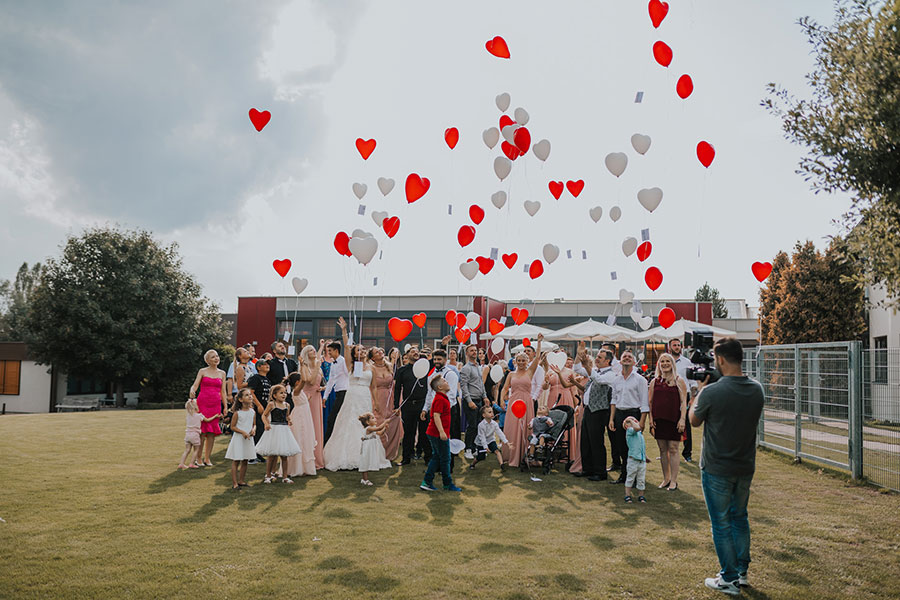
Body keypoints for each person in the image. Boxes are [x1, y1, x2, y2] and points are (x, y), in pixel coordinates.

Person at [690, 337, 764, 595]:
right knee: (739, 517)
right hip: (745, 465)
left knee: (721, 523)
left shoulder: (711, 392)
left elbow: (694, 421)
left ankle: (729, 578)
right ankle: (741, 572)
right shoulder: (757, 390)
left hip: (716, 467)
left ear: (720, 359)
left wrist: (699, 390)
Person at [323, 317, 377, 471]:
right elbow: (347, 348)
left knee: (367, 423)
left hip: (365, 396)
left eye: (363, 349)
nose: (362, 351)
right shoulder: (350, 365)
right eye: (358, 349)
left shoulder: (370, 367)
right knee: (350, 422)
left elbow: (373, 386)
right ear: (354, 353)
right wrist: (344, 331)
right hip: (352, 395)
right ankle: (349, 455)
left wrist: (376, 402)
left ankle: (367, 455)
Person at [567, 347, 616, 481]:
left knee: (596, 441)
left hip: (599, 411)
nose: (597, 359)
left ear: (608, 361)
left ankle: (600, 472)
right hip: (588, 409)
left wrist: (588, 366)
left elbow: (598, 380)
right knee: (585, 440)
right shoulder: (594, 370)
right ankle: (587, 469)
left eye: (600, 357)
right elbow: (577, 369)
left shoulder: (611, 374)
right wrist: (579, 354)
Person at [499, 336, 543, 468]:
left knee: (526, 428)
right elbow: (505, 388)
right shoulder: (511, 374)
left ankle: (526, 455)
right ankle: (511, 455)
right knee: (512, 428)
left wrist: (539, 343)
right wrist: (501, 400)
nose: (522, 362)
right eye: (519, 360)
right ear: (515, 362)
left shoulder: (530, 371)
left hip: (527, 402)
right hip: (513, 403)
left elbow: (538, 358)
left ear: (527, 361)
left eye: (524, 360)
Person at [648, 353, 688, 491]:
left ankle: (674, 481)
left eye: (667, 361)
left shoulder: (679, 380)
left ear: (672, 364)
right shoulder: (655, 381)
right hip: (659, 420)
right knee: (662, 450)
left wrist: (682, 419)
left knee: (673, 449)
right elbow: (650, 402)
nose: (665, 364)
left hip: (674, 420)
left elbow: (684, 402)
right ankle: (666, 478)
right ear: (659, 364)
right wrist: (651, 419)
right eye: (662, 361)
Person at [609, 351, 650, 485]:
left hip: (634, 415)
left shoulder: (640, 380)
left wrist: (642, 422)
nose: (627, 358)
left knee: (633, 448)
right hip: (619, 415)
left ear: (634, 362)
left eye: (629, 357)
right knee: (621, 447)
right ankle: (624, 475)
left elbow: (645, 402)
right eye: (624, 356)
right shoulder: (616, 379)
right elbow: (613, 400)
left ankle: (635, 477)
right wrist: (611, 419)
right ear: (620, 362)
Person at [419, 375, 461, 492]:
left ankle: (427, 481)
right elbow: (436, 416)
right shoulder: (439, 399)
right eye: (444, 381)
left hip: (437, 433)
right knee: (445, 458)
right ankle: (447, 484)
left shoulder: (442, 397)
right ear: (440, 387)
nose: (447, 382)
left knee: (437, 457)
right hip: (437, 433)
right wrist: (442, 432)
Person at [188, 349, 228, 467]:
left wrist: (225, 406)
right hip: (202, 403)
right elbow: (195, 385)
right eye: (212, 357)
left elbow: (223, 392)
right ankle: (198, 458)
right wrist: (192, 390)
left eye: (217, 356)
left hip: (215, 404)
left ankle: (207, 458)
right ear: (207, 360)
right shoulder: (202, 371)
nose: (216, 358)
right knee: (202, 432)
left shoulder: (222, 373)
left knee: (211, 433)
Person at [421, 349, 460, 468]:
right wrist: (425, 409)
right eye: (435, 359)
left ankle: (448, 466)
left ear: (445, 359)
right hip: (434, 410)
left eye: (439, 359)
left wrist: (441, 408)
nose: (436, 361)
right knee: (435, 438)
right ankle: (437, 465)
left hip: (447, 411)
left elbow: (452, 395)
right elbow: (429, 394)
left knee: (446, 437)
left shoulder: (451, 374)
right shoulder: (432, 375)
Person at [256, 384, 302, 484]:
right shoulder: (272, 405)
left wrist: (289, 420)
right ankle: (268, 475)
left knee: (284, 455)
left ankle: (285, 477)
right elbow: (264, 415)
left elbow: (286, 416)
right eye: (281, 393)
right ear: (274, 395)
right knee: (272, 455)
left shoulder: (287, 405)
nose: (284, 394)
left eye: (285, 392)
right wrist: (266, 424)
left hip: (284, 430)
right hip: (274, 429)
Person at [394, 345, 429, 465]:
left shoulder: (426, 367)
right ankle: (406, 458)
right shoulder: (402, 370)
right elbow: (397, 389)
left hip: (422, 405)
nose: (415, 353)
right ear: (406, 355)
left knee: (424, 433)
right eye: (412, 351)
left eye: (417, 351)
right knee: (409, 433)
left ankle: (427, 458)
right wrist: (396, 406)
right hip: (408, 405)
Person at [670, 338, 699, 463]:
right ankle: (668, 451)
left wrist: (692, 398)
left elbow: (693, 382)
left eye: (678, 345)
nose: (677, 347)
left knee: (685, 424)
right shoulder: (665, 361)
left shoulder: (687, 362)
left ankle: (687, 453)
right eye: (674, 345)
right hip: (669, 395)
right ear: (669, 347)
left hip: (684, 395)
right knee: (669, 423)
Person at [370, 347, 402, 461]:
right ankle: (377, 453)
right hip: (377, 397)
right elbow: (372, 386)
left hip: (390, 397)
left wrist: (397, 401)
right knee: (378, 422)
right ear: (373, 358)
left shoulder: (389, 366)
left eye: (381, 351)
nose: (380, 352)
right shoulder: (371, 368)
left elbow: (394, 384)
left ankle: (389, 453)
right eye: (377, 352)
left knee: (393, 421)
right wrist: (376, 403)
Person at [299, 344, 326, 469]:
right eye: (310, 350)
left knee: (317, 426)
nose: (313, 351)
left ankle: (317, 458)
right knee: (308, 426)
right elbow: (310, 380)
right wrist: (317, 366)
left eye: (314, 349)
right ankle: (307, 458)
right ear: (305, 353)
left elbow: (322, 382)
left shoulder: (318, 367)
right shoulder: (304, 366)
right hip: (307, 398)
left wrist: (322, 388)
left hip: (317, 397)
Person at [460, 344, 489, 460]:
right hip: (470, 401)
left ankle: (474, 448)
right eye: (471, 351)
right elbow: (464, 386)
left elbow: (480, 383)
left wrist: (485, 396)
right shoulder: (466, 368)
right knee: (471, 426)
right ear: (467, 353)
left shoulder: (477, 367)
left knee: (478, 425)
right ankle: (467, 449)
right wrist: (469, 401)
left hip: (479, 400)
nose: (474, 352)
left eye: (475, 350)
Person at [285, 372, 317, 477]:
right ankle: (297, 467)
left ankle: (304, 466)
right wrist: (303, 366)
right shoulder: (296, 390)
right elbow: (304, 381)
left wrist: (307, 400)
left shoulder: (299, 392)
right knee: (300, 438)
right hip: (300, 417)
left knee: (305, 438)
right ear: (297, 382)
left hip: (304, 415)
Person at [225, 389, 256, 489]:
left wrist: (253, 430)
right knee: (236, 460)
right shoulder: (237, 413)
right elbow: (232, 427)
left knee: (245, 460)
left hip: (248, 439)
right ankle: (235, 483)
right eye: (247, 395)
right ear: (241, 399)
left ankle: (241, 481)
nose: (250, 396)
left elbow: (254, 424)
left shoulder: (252, 412)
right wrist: (242, 432)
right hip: (239, 439)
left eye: (250, 395)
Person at [322, 338, 349, 444]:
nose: (329, 353)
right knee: (332, 418)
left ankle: (327, 442)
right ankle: (329, 442)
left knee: (333, 418)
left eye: (330, 351)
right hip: (338, 393)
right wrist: (325, 397)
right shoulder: (333, 364)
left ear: (336, 351)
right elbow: (330, 381)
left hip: (345, 392)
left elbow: (348, 374)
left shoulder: (343, 361)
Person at [468, 405, 512, 471]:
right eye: (489, 412)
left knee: (497, 451)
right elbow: (482, 437)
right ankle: (473, 464)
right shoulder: (481, 425)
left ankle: (502, 465)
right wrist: (485, 447)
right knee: (481, 457)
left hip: (491, 440)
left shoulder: (495, 424)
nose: (492, 413)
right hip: (481, 443)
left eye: (492, 411)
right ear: (484, 415)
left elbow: (500, 433)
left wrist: (507, 442)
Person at [247, 359, 271, 464]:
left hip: (265, 408)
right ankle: (252, 455)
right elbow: (251, 392)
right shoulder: (255, 378)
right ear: (258, 367)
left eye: (267, 365)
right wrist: (259, 405)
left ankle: (258, 453)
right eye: (264, 364)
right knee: (257, 430)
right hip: (257, 408)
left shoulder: (267, 380)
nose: (267, 366)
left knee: (262, 431)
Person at [358, 412, 391, 486]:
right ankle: (365, 480)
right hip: (367, 448)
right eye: (372, 418)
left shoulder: (372, 429)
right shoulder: (369, 428)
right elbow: (379, 428)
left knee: (367, 461)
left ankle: (364, 479)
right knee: (365, 463)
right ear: (367, 422)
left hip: (370, 448)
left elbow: (379, 433)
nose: (375, 419)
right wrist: (385, 422)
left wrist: (385, 428)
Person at [622, 416, 647, 504]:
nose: (634, 421)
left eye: (634, 420)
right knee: (630, 478)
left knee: (641, 479)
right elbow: (636, 427)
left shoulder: (639, 434)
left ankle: (641, 496)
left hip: (641, 460)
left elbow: (641, 446)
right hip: (633, 460)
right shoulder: (630, 431)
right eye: (631, 421)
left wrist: (645, 457)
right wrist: (629, 421)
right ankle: (627, 495)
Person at [177, 399, 206, 469]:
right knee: (196, 450)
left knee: (187, 450)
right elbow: (207, 420)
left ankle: (181, 463)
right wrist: (215, 416)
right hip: (195, 435)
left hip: (187, 435)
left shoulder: (188, 416)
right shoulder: (199, 416)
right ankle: (191, 463)